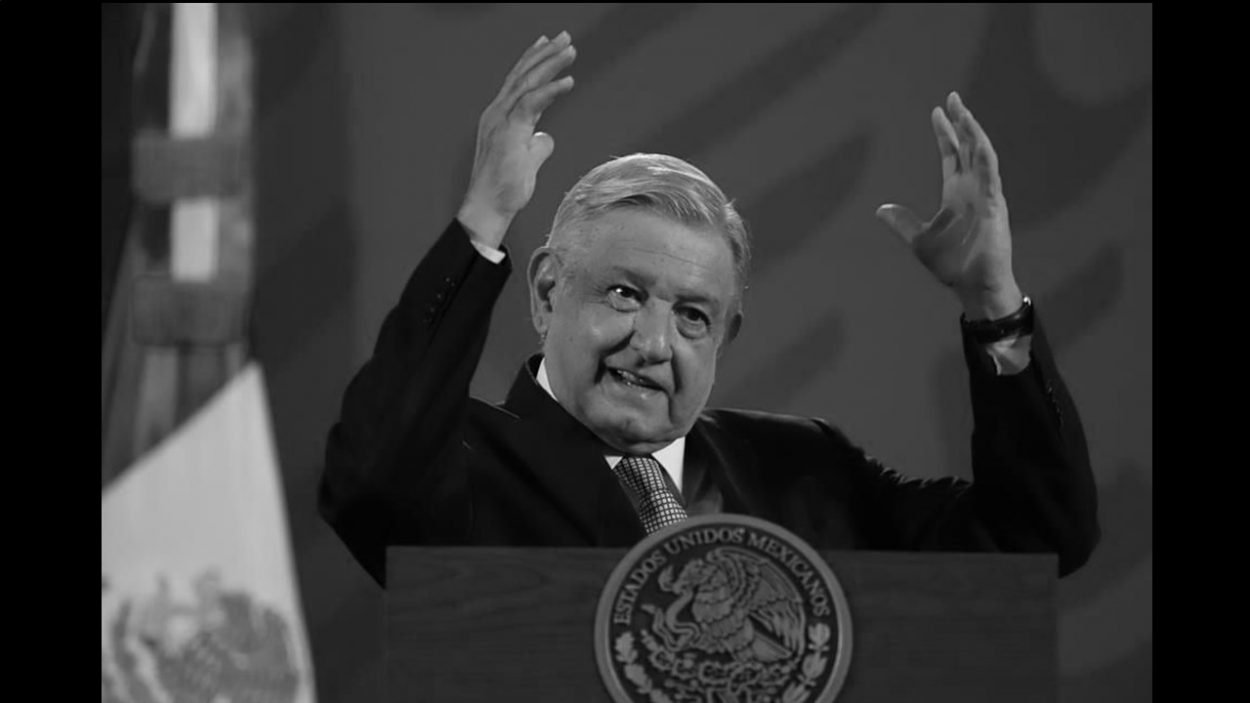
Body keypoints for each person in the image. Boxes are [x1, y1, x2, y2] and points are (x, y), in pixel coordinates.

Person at [320, 31, 1099, 587]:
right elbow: (370, 478)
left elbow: (1036, 541)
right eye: (624, 293)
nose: (654, 342)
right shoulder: (461, 461)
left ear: (725, 336)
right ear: (547, 291)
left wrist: (993, 304)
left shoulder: (804, 468)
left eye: (693, 315)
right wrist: (484, 218)